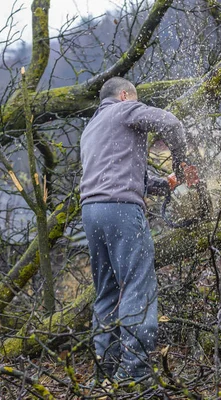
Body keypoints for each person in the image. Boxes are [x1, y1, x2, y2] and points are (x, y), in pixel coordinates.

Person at [80, 77, 195, 382]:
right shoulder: (125, 108)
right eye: (134, 98)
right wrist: (183, 163)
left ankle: (104, 372)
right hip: (121, 209)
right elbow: (171, 123)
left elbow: (126, 174)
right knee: (136, 287)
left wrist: (168, 183)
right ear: (125, 95)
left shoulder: (92, 128)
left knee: (107, 292)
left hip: (91, 212)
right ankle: (134, 375)